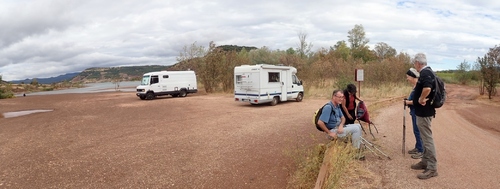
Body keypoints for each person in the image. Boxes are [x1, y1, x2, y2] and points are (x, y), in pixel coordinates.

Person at [410, 53, 439, 179]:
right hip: (423, 112)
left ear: (417, 62)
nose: (414, 65)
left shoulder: (426, 73)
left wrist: (421, 99)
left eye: (414, 63)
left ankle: (432, 168)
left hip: (425, 111)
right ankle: (425, 161)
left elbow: (427, 89)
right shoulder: (428, 72)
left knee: (427, 139)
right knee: (424, 137)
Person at [317, 89, 363, 158]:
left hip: (339, 128)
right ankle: (355, 153)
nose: (341, 99)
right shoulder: (328, 107)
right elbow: (320, 122)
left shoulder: (337, 106)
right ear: (334, 97)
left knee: (358, 125)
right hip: (333, 131)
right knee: (356, 129)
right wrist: (329, 133)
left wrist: (341, 125)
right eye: (339, 97)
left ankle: (357, 147)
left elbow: (343, 118)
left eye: (342, 97)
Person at [405, 68, 424, 159]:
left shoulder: (418, 87)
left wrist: (408, 102)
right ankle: (418, 147)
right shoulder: (415, 87)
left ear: (413, 76)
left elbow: (418, 101)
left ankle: (421, 150)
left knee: (418, 131)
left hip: (417, 111)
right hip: (414, 111)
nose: (407, 79)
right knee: (416, 130)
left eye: (408, 77)